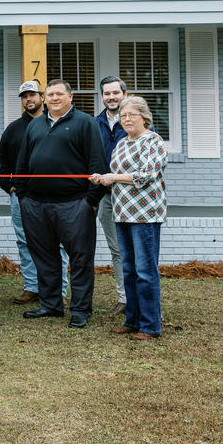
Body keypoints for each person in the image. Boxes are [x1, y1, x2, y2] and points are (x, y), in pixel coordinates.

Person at [16, 80, 107, 329]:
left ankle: (80, 309)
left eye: (59, 94)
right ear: (44, 98)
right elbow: (22, 163)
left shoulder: (86, 123)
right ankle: (51, 305)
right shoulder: (35, 124)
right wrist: (23, 197)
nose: (54, 98)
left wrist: (91, 200)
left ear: (70, 96)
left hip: (75, 204)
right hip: (35, 205)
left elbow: (97, 162)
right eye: (50, 94)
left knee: (80, 259)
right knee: (45, 258)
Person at [90, 96, 168, 341]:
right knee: (129, 270)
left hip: (145, 215)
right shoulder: (122, 143)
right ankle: (132, 321)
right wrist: (102, 178)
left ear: (144, 117)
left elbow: (147, 175)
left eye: (131, 115)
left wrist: (113, 177)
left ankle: (151, 325)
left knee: (145, 271)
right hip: (121, 212)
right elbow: (116, 175)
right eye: (123, 116)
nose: (126, 119)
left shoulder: (152, 140)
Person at [0, 81, 70, 305]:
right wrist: (10, 187)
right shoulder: (13, 129)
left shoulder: (56, 123)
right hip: (22, 196)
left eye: (32, 95)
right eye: (24, 96)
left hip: (55, 194)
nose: (28, 99)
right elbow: (1, 164)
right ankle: (31, 286)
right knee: (25, 241)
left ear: (42, 97)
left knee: (57, 241)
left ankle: (59, 290)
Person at [94, 76, 129, 315]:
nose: (111, 97)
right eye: (107, 93)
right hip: (105, 195)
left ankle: (143, 300)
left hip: (131, 196)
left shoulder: (136, 120)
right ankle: (124, 298)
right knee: (116, 249)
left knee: (135, 248)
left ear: (124, 94)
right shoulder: (94, 123)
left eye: (115, 92)